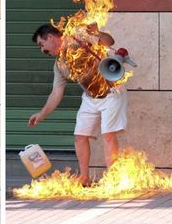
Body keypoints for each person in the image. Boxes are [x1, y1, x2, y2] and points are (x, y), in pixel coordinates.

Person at [29, 23, 129, 186]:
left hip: (111, 92)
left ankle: (114, 180)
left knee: (108, 135)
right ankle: (84, 178)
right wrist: (42, 114)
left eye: (42, 44)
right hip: (90, 98)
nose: (43, 50)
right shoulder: (59, 65)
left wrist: (97, 32)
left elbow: (109, 41)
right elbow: (56, 93)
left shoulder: (79, 37)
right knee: (80, 136)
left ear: (50, 37)